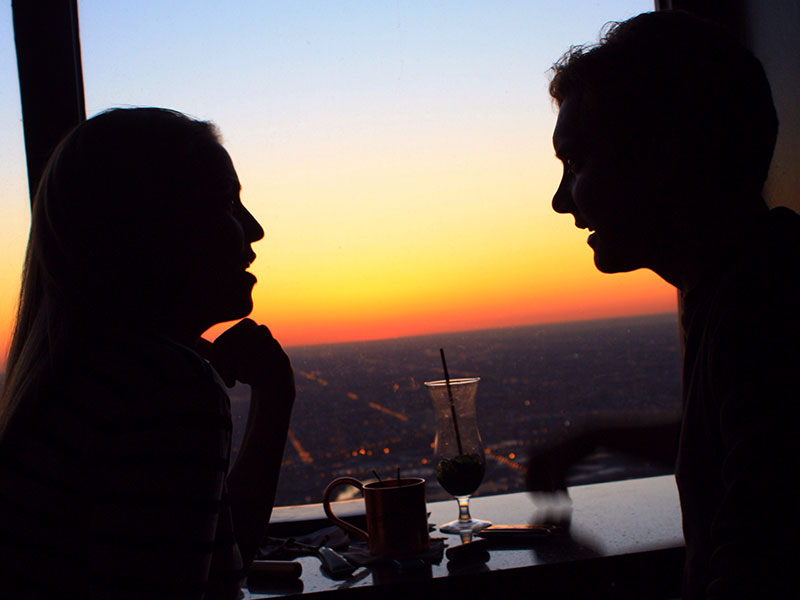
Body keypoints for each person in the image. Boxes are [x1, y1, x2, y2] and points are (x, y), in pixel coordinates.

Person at [527, 10, 799, 599]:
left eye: (576, 162)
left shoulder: (765, 311)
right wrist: (596, 439)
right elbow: (744, 446)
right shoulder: (747, 285)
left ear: (664, 153)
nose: (559, 200)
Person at [0, 107, 295, 599]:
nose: (254, 228)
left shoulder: (79, 375)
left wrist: (274, 397)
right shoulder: (165, 385)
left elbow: (204, 557)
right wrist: (275, 398)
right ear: (153, 228)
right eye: (226, 202)